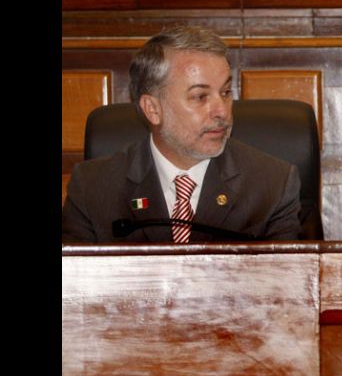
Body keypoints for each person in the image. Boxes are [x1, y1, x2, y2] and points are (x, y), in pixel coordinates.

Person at [62, 25, 302, 242]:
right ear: (153, 109)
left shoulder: (272, 185)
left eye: (226, 92)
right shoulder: (92, 188)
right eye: (200, 96)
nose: (222, 111)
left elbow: (286, 276)